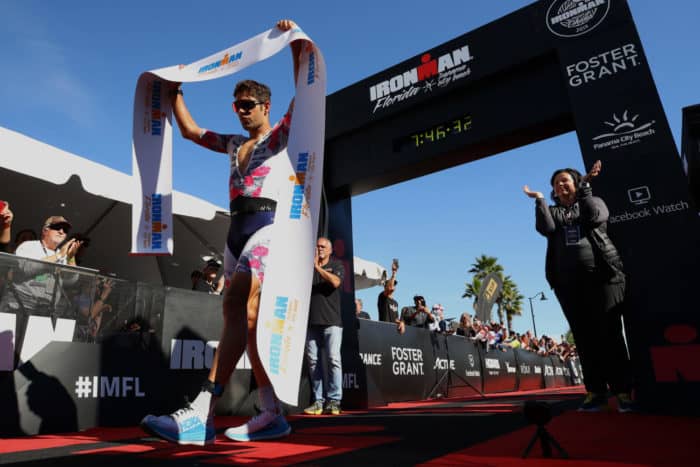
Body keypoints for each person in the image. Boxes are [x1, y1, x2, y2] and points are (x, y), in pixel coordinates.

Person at [141, 19, 303, 445]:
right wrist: (175, 91)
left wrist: (296, 43)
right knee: (246, 325)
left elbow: (304, 99)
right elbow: (193, 132)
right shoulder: (233, 144)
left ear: (265, 106)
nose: (243, 110)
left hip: (266, 229)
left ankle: (200, 413)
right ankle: (272, 413)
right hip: (234, 234)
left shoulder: (279, 138)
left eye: (248, 103)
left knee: (237, 304)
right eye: (237, 105)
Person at [524, 160, 634, 413]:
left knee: (610, 334)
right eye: (555, 182)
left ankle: (623, 391)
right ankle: (595, 392)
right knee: (584, 339)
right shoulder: (552, 211)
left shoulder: (592, 202)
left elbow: (595, 217)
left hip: (605, 278)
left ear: (576, 183)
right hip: (568, 284)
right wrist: (539, 199)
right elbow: (546, 227)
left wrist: (585, 188)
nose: (560, 184)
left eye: (566, 180)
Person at [303, 237, 344, 416]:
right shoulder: (306, 267)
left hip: (332, 322)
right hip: (311, 322)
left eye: (322, 246)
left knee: (333, 359)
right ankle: (318, 401)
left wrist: (317, 268)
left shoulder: (336, 266)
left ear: (330, 250)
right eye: (317, 246)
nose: (319, 249)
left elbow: (335, 282)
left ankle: (334, 401)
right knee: (313, 362)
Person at [15, 216, 83, 265]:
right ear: (45, 230)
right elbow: (28, 269)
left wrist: (70, 258)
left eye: (65, 230)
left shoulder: (64, 255)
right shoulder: (28, 246)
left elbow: (70, 281)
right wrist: (59, 255)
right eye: (57, 227)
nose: (61, 232)